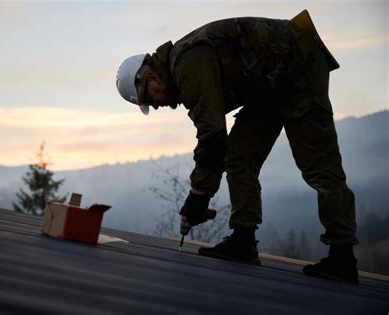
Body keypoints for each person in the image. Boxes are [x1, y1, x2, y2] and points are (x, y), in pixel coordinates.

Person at [116, 10, 358, 283]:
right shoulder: (181, 66)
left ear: (152, 79)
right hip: (269, 83)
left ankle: (342, 255)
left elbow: (212, 137)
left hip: (299, 65)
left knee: (319, 166)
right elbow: (217, 142)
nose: (158, 106)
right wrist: (200, 194)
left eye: (152, 100)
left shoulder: (187, 65)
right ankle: (243, 240)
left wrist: (198, 195)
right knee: (239, 156)